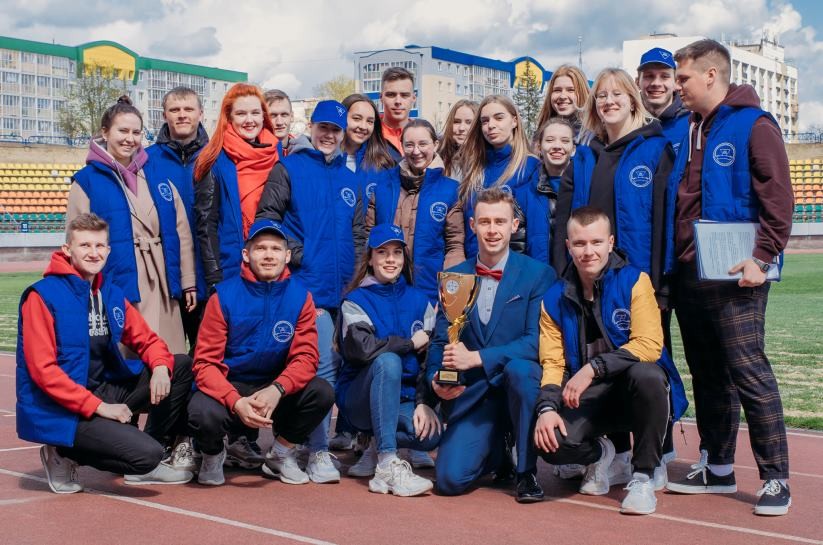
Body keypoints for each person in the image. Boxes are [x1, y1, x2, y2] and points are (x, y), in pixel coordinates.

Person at [664, 39, 794, 516]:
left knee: (748, 369)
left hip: (737, 274)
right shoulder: (687, 128)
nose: (677, 87)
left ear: (711, 75)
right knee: (707, 374)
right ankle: (718, 466)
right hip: (690, 271)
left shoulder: (755, 125)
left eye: (683, 78)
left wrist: (762, 257)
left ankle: (776, 478)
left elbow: (779, 199)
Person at [17, 213, 195, 493]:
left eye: (99, 246)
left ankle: (151, 449)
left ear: (108, 250)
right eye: (85, 245)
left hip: (102, 391)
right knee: (144, 456)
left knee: (180, 365)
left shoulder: (109, 293)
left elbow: (148, 340)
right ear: (67, 249)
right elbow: (44, 371)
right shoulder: (42, 296)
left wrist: (161, 366)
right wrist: (100, 407)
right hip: (64, 408)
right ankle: (62, 452)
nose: (93, 253)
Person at [535, 207, 687, 515]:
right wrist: (547, 408)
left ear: (610, 242)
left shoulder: (635, 281)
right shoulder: (553, 298)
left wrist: (593, 368)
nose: (588, 251)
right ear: (568, 246)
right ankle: (600, 453)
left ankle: (643, 477)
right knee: (550, 443)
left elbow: (649, 345)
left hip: (634, 393)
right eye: (580, 243)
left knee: (649, 375)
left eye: (596, 242)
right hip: (591, 398)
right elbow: (552, 362)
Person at [257, 100, 366, 484]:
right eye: (323, 128)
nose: (329, 135)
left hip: (343, 291)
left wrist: (356, 275)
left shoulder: (350, 179)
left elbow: (358, 234)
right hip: (306, 288)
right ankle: (318, 451)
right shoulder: (289, 168)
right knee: (321, 367)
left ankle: (296, 443)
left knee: (335, 367)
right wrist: (300, 256)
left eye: (335, 130)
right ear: (312, 127)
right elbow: (267, 221)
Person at [426, 188, 554, 502]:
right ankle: (497, 450)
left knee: (521, 371)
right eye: (485, 222)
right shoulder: (454, 277)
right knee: (449, 480)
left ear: (514, 225)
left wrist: (477, 358)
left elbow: (535, 342)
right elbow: (441, 341)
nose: (492, 230)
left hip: (518, 385)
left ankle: (526, 473)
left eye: (500, 221)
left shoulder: (538, 275)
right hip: (475, 394)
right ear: (473, 225)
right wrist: (435, 379)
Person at [187, 219, 334, 486]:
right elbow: (205, 364)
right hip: (231, 387)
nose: (268, 255)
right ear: (246, 254)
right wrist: (235, 401)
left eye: (276, 249)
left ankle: (280, 454)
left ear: (287, 256)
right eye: (261, 248)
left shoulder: (301, 298)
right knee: (201, 412)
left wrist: (277, 389)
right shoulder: (223, 297)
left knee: (321, 392)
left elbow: (306, 358)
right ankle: (212, 454)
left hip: (272, 390)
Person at [68, 96, 196, 356]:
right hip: (119, 279)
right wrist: (82, 288)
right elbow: (76, 241)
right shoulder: (86, 181)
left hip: (163, 280)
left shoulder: (158, 176)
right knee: (130, 356)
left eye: (136, 132)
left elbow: (181, 232)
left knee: (170, 356)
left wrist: (188, 281)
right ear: (105, 133)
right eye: (123, 131)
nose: (130, 139)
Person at [337, 224, 441, 496]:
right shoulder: (355, 300)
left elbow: (429, 360)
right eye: (382, 252)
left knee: (430, 435)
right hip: (359, 400)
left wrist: (423, 403)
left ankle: (376, 445)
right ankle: (386, 464)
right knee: (389, 361)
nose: (390, 259)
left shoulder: (420, 301)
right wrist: (409, 343)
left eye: (397, 252)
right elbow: (363, 349)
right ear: (370, 259)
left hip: (404, 396)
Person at [367, 118, 465, 300]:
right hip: (386, 288)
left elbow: (454, 246)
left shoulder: (450, 189)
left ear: (435, 145)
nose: (416, 151)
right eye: (409, 145)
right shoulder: (383, 184)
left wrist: (450, 293)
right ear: (402, 146)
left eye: (423, 144)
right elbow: (368, 236)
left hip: (430, 288)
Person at [194, 83, 279, 288]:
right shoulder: (214, 160)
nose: (249, 120)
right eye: (241, 113)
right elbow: (206, 224)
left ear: (263, 116)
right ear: (229, 117)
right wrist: (215, 279)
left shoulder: (277, 155)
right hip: (232, 269)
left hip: (274, 267)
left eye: (255, 113)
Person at [146, 86, 210, 351]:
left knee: (207, 355)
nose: (182, 115)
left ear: (201, 113)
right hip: (165, 277)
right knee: (168, 356)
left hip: (209, 276)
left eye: (188, 109)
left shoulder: (217, 156)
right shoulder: (146, 160)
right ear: (164, 115)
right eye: (175, 110)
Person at [457, 95, 541, 257]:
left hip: (512, 265)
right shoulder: (474, 167)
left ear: (514, 121)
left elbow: (537, 232)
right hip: (474, 263)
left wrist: (536, 270)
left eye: (499, 118)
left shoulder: (530, 166)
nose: (491, 125)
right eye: (485, 121)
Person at [515, 117, 575, 266]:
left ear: (573, 149)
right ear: (539, 147)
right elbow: (517, 249)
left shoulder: (587, 187)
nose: (557, 146)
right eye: (549, 140)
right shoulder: (523, 195)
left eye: (565, 141)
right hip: (538, 276)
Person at [636, 47, 690, 154]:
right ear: (637, 82)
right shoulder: (626, 124)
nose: (656, 83)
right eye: (649, 76)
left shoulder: (692, 123)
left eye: (664, 76)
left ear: (676, 83)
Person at [534, 65, 592, 145]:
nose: (562, 96)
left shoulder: (591, 137)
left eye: (571, 90)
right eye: (557, 90)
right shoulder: (540, 134)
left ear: (582, 93)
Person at [379, 67, 416, 160]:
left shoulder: (424, 134)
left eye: (404, 95)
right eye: (391, 95)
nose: (398, 101)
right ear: (381, 98)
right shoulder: (369, 134)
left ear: (413, 99)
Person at [438, 99, 479, 177]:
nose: (461, 128)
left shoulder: (486, 160)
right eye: (456, 121)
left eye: (469, 122)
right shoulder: (439, 155)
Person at [264, 89, 310, 157]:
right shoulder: (255, 154)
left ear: (292, 116)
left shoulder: (306, 151)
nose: (279, 122)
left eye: (284, 115)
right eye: (273, 115)